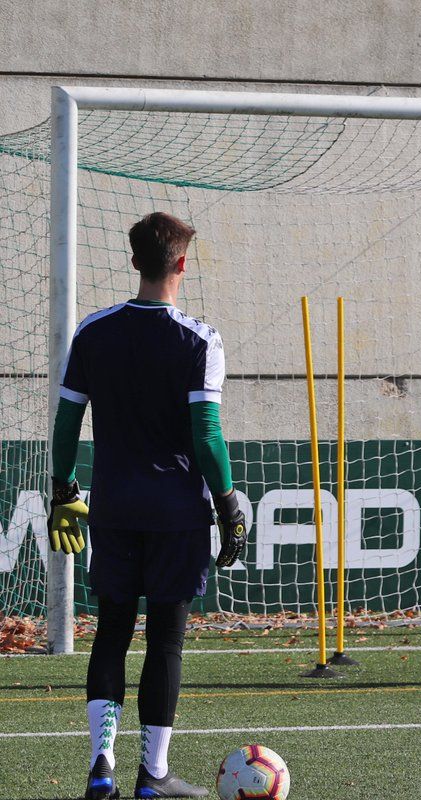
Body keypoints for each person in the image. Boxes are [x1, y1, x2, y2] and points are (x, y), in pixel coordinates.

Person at [47, 211, 247, 799]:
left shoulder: (93, 331)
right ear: (181, 263)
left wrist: (63, 487)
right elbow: (206, 433)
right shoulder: (199, 339)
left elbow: (66, 420)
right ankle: (152, 774)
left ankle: (102, 766)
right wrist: (229, 502)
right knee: (164, 641)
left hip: (113, 508)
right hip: (176, 514)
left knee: (110, 633)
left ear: (134, 261)